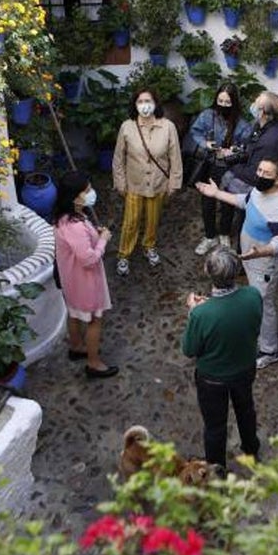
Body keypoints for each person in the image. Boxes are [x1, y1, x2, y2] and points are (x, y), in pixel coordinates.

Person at [195, 157, 278, 369]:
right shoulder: (260, 190)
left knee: (263, 303)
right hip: (251, 258)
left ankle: (269, 350)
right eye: (259, 170)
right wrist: (216, 194)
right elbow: (246, 201)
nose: (259, 175)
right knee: (256, 297)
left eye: (266, 173)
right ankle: (258, 333)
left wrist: (261, 251)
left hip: (264, 263)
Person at [181, 248, 263, 470]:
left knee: (215, 426)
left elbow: (189, 349)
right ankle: (251, 450)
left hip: (213, 379)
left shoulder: (201, 314)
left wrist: (193, 312)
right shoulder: (253, 295)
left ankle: (217, 471)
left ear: (209, 273)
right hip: (244, 369)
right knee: (246, 411)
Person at [52, 171, 118, 379]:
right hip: (84, 281)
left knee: (74, 313)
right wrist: (103, 240)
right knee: (94, 320)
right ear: (75, 196)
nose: (91, 193)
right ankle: (93, 363)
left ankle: (77, 346)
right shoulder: (74, 226)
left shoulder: (67, 217)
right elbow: (89, 259)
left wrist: (94, 234)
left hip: (71, 279)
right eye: (87, 190)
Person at [112, 87, 183, 276]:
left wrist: (174, 182)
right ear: (134, 105)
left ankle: (149, 246)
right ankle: (123, 254)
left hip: (158, 183)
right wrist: (120, 182)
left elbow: (175, 157)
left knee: (153, 219)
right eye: (140, 102)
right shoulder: (127, 126)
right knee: (131, 221)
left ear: (156, 104)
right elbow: (118, 158)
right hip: (134, 183)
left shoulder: (168, 126)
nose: (144, 106)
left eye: (148, 101)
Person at [184, 83, 252, 256]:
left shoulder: (242, 123)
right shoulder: (208, 115)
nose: (223, 105)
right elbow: (195, 131)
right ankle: (209, 236)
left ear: (234, 103)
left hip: (230, 168)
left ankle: (224, 233)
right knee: (207, 202)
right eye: (220, 100)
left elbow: (246, 147)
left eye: (227, 102)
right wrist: (205, 143)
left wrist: (233, 151)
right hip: (209, 164)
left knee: (228, 202)